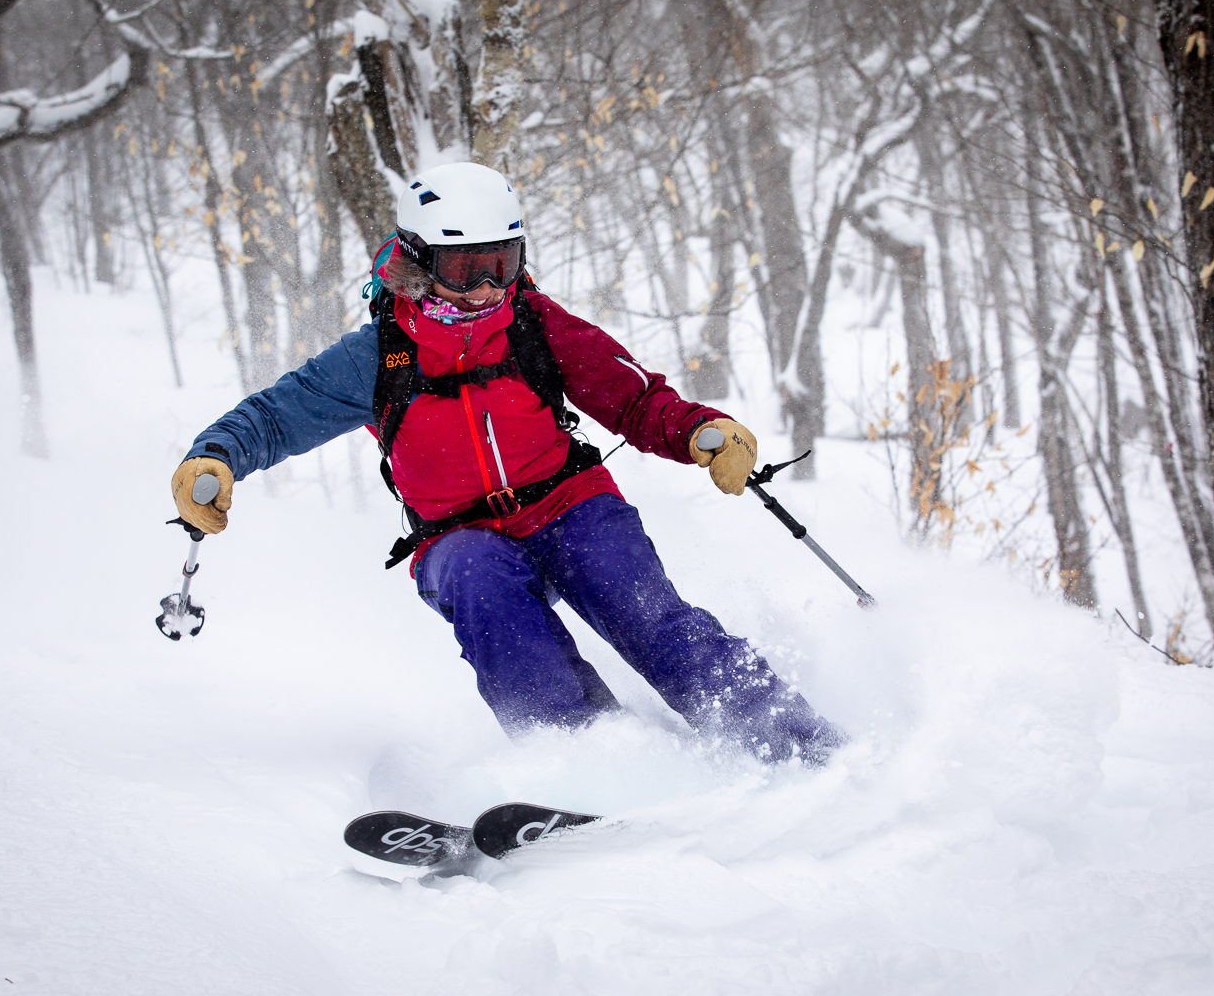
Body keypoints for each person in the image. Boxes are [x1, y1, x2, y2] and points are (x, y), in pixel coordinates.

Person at [170, 162, 841, 764]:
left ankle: (785, 739)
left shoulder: (535, 324)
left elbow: (634, 399)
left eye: (505, 262)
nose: (489, 287)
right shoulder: (378, 355)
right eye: (467, 269)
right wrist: (217, 457)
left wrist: (700, 432)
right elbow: (277, 415)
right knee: (487, 595)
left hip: (571, 505)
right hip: (459, 537)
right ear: (417, 261)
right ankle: (595, 763)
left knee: (648, 614)